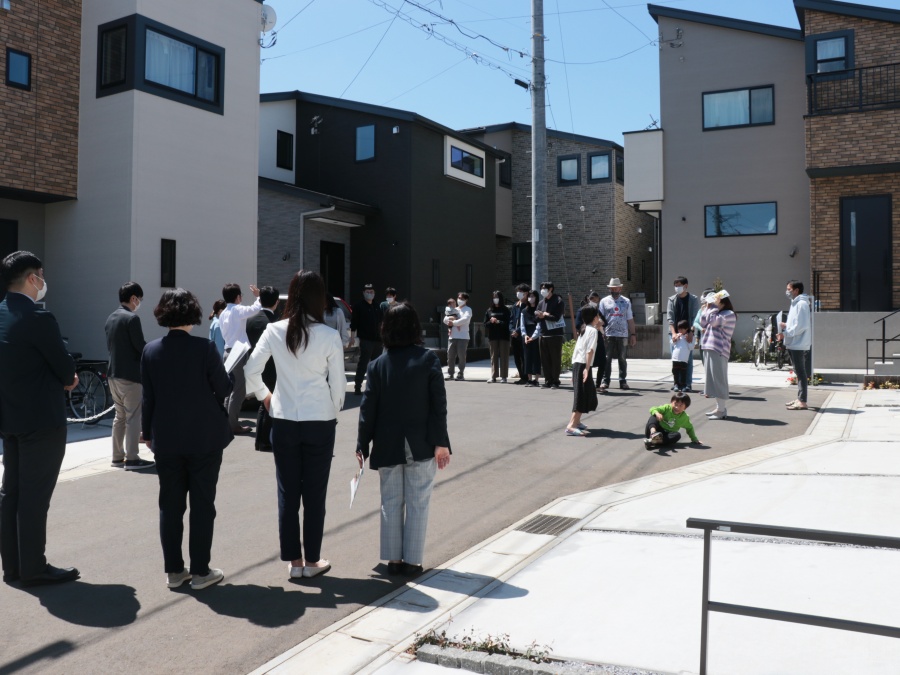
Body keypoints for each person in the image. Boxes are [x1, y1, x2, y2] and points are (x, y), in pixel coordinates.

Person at [245, 271, 344, 580]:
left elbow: (251, 370)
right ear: (320, 299)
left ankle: (295, 561)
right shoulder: (329, 335)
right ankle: (312, 560)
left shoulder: (274, 330)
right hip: (320, 421)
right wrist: (332, 409)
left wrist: (266, 398)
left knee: (288, 492)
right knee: (315, 494)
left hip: (284, 419)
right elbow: (339, 388)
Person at [142, 289, 233, 590]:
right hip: (204, 437)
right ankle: (201, 571)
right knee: (202, 505)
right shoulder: (205, 348)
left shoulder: (150, 350)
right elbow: (223, 388)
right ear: (193, 314)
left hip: (166, 438)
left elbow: (148, 397)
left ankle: (174, 571)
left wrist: (146, 433)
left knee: (170, 506)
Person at [0, 251, 79, 587]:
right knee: (34, 497)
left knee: (11, 494)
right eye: (42, 275)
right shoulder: (39, 318)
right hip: (42, 422)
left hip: (10, 419)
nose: (44, 281)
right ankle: (33, 567)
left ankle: (13, 566)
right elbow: (66, 370)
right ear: (32, 278)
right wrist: (69, 377)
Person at [356, 302, 451, 577]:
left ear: (385, 328)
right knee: (418, 501)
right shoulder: (428, 359)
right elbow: (438, 405)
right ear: (414, 327)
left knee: (390, 501)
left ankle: (394, 560)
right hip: (421, 442)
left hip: (387, 444)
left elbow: (367, 410)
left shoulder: (377, 365)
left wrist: (362, 445)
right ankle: (412, 561)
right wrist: (441, 443)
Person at [105, 281, 154, 471]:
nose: (139, 303)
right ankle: (132, 458)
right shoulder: (132, 319)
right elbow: (140, 346)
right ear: (133, 298)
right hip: (130, 376)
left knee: (119, 417)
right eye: (139, 299)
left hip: (113, 374)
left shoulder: (111, 318)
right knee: (133, 417)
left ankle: (117, 457)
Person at [220, 282, 262, 434]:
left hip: (227, 351)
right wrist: (258, 297)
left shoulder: (223, 313)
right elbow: (255, 309)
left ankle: (227, 423)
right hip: (238, 351)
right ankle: (233, 425)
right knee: (239, 390)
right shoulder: (237, 310)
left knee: (230, 388)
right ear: (238, 297)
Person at [246, 286, 280, 452]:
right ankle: (264, 441)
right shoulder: (276, 323)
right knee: (270, 403)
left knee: (263, 402)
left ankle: (260, 440)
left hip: (255, 365)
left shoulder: (251, 320)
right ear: (277, 302)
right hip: (273, 367)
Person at [700, 290, 737, 420]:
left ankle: (721, 410)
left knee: (719, 380)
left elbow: (713, 321)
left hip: (719, 349)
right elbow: (703, 322)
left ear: (722, 300)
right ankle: (719, 408)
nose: (711, 303)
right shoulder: (716, 312)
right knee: (712, 380)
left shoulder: (729, 314)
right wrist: (706, 309)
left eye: (714, 300)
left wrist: (712, 308)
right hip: (709, 347)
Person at [566, 306, 601, 436]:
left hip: (578, 364)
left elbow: (577, 350)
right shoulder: (592, 331)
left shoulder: (583, 329)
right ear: (594, 317)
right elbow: (589, 351)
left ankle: (577, 422)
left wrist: (575, 371)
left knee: (587, 393)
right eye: (597, 315)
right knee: (581, 395)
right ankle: (571, 425)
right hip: (583, 365)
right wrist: (586, 369)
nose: (599, 318)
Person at [778, 280, 812, 411]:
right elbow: (796, 323)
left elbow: (801, 326)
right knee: (798, 371)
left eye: (789, 289)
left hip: (798, 343)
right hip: (794, 343)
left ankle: (802, 401)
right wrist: (786, 326)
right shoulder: (795, 303)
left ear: (796, 290)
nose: (787, 292)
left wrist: (785, 333)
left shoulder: (801, 304)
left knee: (801, 372)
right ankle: (800, 398)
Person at [598, 278, 636, 391]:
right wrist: (601, 332)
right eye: (612, 288)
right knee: (607, 358)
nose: (614, 290)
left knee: (622, 358)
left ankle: (622, 381)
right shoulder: (604, 301)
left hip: (623, 334)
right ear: (609, 289)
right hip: (608, 334)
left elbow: (630, 319)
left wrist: (633, 334)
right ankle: (605, 381)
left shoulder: (626, 301)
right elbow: (600, 318)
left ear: (620, 288)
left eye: (616, 288)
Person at [666, 277, 700, 392]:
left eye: (679, 285)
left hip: (687, 333)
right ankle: (677, 383)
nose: (677, 288)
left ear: (686, 286)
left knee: (687, 360)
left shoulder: (693, 299)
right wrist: (674, 333)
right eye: (675, 285)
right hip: (675, 334)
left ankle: (687, 384)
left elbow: (695, 317)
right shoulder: (671, 299)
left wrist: (691, 332)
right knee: (676, 360)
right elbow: (670, 318)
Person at [350, 283, 384, 395]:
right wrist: (352, 338)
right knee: (363, 363)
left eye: (372, 292)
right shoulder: (359, 306)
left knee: (376, 365)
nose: (370, 294)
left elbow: (382, 322)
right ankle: (358, 386)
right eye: (367, 292)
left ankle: (374, 387)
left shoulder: (377, 306)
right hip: (366, 339)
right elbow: (354, 323)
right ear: (363, 293)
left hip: (378, 340)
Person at [535, 281, 565, 389]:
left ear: (551, 289)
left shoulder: (558, 301)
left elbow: (557, 317)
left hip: (555, 334)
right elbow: (536, 318)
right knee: (545, 359)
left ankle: (555, 381)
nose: (542, 290)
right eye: (541, 288)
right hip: (543, 334)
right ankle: (548, 380)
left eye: (544, 288)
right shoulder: (541, 303)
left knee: (555, 359)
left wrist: (545, 316)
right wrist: (540, 315)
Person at [575, 291, 608, 389]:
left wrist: (601, 323)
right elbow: (577, 325)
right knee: (588, 362)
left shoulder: (597, 310)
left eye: (597, 300)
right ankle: (587, 383)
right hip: (588, 337)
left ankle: (598, 384)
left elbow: (605, 321)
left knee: (602, 362)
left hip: (598, 338)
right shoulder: (582, 310)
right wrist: (589, 326)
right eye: (593, 300)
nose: (595, 302)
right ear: (588, 299)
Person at [443, 291, 472, 381]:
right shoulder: (453, 309)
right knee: (450, 356)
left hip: (463, 337)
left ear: (466, 300)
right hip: (452, 336)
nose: (459, 300)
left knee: (461, 356)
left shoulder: (468, 309)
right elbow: (445, 319)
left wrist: (453, 322)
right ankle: (450, 373)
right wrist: (449, 320)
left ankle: (460, 373)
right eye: (458, 298)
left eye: (462, 299)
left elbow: (465, 320)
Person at [484, 291, 511, 383]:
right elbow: (485, 324)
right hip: (493, 336)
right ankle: (493, 376)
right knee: (493, 356)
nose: (495, 299)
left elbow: (508, 323)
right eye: (494, 297)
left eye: (497, 297)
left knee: (504, 356)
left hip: (504, 336)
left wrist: (498, 321)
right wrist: (491, 322)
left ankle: (504, 376)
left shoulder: (506, 310)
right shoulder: (489, 310)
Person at [509, 283, 531, 384]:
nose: (518, 293)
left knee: (524, 357)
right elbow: (511, 320)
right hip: (514, 336)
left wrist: (517, 331)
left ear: (526, 293)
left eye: (521, 292)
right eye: (518, 291)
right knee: (517, 357)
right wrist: (512, 330)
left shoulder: (528, 306)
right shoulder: (515, 305)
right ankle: (522, 376)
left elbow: (526, 321)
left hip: (523, 335)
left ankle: (526, 377)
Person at [671, 320, 694, 393]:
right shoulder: (677, 335)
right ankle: (676, 384)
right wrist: (675, 339)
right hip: (675, 358)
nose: (680, 331)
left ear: (686, 329)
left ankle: (683, 385)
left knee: (683, 372)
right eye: (678, 329)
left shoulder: (689, 337)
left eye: (682, 329)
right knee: (675, 372)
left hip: (684, 359)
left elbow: (691, 347)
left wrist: (688, 341)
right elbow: (672, 344)